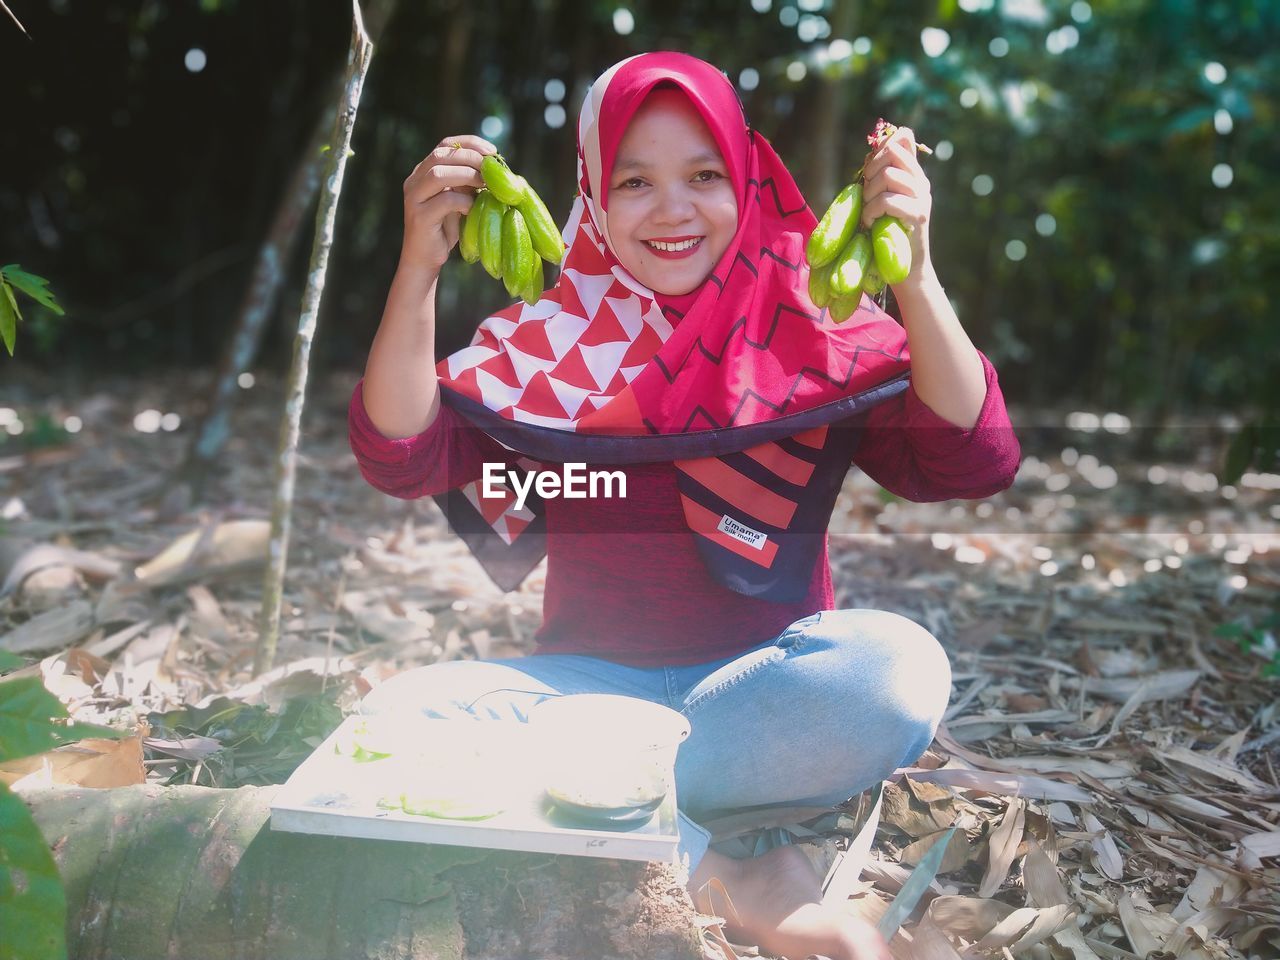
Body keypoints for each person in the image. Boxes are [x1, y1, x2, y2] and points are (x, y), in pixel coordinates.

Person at [349, 51, 1020, 960]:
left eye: (705, 176)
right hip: (585, 701)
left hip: (757, 696)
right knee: (395, 717)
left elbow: (970, 458)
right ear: (590, 193)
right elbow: (403, 452)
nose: (673, 208)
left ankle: (601, 813)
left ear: (746, 179)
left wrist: (917, 271)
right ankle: (730, 865)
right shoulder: (549, 345)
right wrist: (417, 269)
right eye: (636, 182)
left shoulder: (809, 327)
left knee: (896, 667)